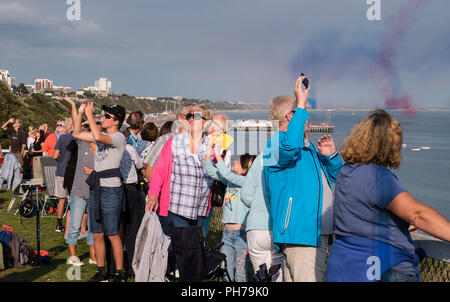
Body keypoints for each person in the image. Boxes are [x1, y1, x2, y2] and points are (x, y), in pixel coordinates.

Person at [325, 109, 450, 282]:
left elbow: (365, 213)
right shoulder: (378, 177)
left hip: (343, 268)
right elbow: (417, 215)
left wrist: (400, 224)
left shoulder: (346, 173)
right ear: (389, 144)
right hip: (383, 268)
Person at [263, 75, 342, 282]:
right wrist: (301, 102)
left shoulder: (307, 151)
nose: (306, 117)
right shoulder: (274, 145)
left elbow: (339, 179)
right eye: (300, 113)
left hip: (314, 235)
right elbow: (289, 147)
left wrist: (331, 157)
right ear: (289, 117)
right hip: (300, 235)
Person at [145, 105, 213, 281]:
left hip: (200, 207)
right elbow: (159, 170)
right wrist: (153, 194)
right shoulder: (174, 142)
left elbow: (219, 171)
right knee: (182, 252)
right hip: (178, 205)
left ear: (206, 122)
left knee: (196, 252)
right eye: (189, 116)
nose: (190, 118)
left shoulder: (212, 145)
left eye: (196, 116)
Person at [73, 101, 127, 282]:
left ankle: (120, 272)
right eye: (103, 115)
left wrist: (89, 114)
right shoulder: (101, 135)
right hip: (97, 188)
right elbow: (77, 133)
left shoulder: (119, 138)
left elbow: (98, 135)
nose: (103, 118)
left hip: (111, 190)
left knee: (112, 233)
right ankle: (101, 271)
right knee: (96, 233)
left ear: (116, 122)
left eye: (107, 116)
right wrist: (81, 112)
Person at [203, 136, 255, 282]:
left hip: (241, 236)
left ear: (245, 170)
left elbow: (225, 173)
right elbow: (210, 170)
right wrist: (210, 149)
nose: (235, 161)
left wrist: (218, 153)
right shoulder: (231, 181)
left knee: (240, 273)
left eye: (238, 162)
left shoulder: (246, 182)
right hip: (226, 234)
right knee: (225, 271)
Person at [240, 153, 285, 282]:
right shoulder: (293, 156)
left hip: (255, 228)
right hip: (279, 227)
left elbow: (246, 195)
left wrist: (257, 204)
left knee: (260, 277)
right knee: (279, 277)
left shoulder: (262, 156)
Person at [65, 122, 97, 267]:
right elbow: (76, 130)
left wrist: (94, 171)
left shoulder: (103, 149)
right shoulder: (83, 144)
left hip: (94, 192)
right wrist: (79, 112)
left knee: (93, 227)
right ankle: (73, 256)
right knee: (75, 226)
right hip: (78, 191)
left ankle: (93, 256)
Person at [53, 118, 74, 233]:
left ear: (69, 126)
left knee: (61, 199)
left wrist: (61, 161)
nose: (64, 127)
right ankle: (73, 225)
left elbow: (55, 155)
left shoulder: (62, 138)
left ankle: (59, 224)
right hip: (73, 172)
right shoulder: (77, 138)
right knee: (74, 198)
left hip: (61, 170)